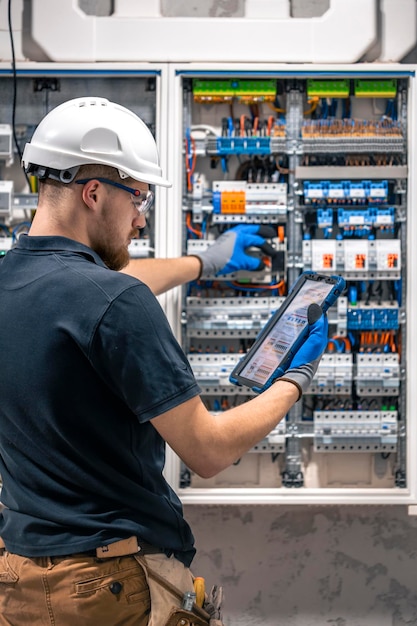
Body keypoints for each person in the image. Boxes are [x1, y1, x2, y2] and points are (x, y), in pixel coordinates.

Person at [0, 97, 328, 626]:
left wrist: (205, 261)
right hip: (105, 587)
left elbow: (94, 294)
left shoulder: (15, 280)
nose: (139, 218)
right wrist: (295, 377)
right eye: (138, 199)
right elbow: (209, 451)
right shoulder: (114, 303)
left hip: (18, 580)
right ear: (93, 193)